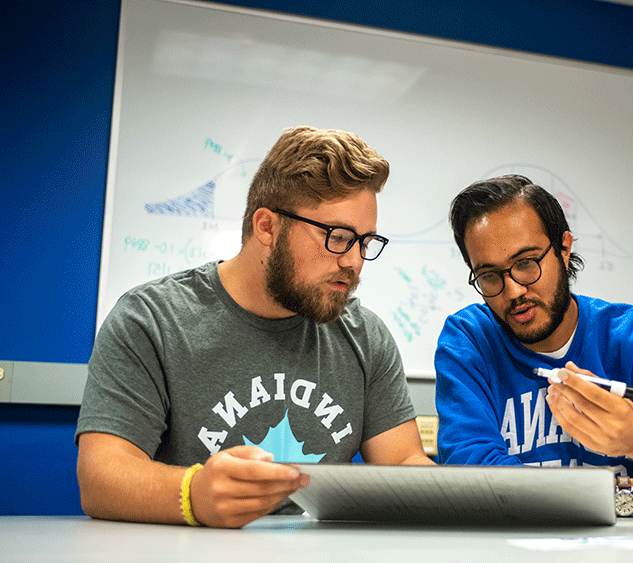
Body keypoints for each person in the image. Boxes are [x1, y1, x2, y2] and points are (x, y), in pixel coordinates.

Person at [77, 126, 433, 529]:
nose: (354, 262)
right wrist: (193, 494)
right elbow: (101, 476)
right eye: (337, 237)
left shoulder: (365, 335)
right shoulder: (151, 320)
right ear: (266, 227)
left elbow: (403, 461)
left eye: (365, 242)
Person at [435, 174, 633, 515]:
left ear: (564, 249)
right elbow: (471, 476)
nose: (513, 291)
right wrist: (629, 497)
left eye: (526, 263)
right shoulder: (469, 341)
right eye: (489, 276)